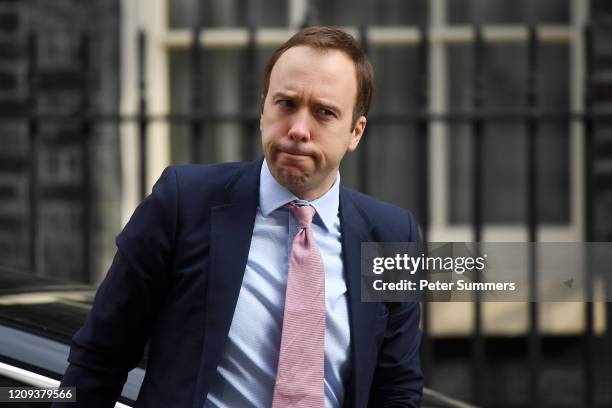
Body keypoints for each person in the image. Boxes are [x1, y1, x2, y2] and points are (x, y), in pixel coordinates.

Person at [55, 26, 423, 407]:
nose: (298, 129)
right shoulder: (183, 202)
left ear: (355, 132)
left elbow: (397, 386)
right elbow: (100, 356)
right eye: (285, 104)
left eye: (324, 112)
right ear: (263, 108)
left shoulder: (393, 235)